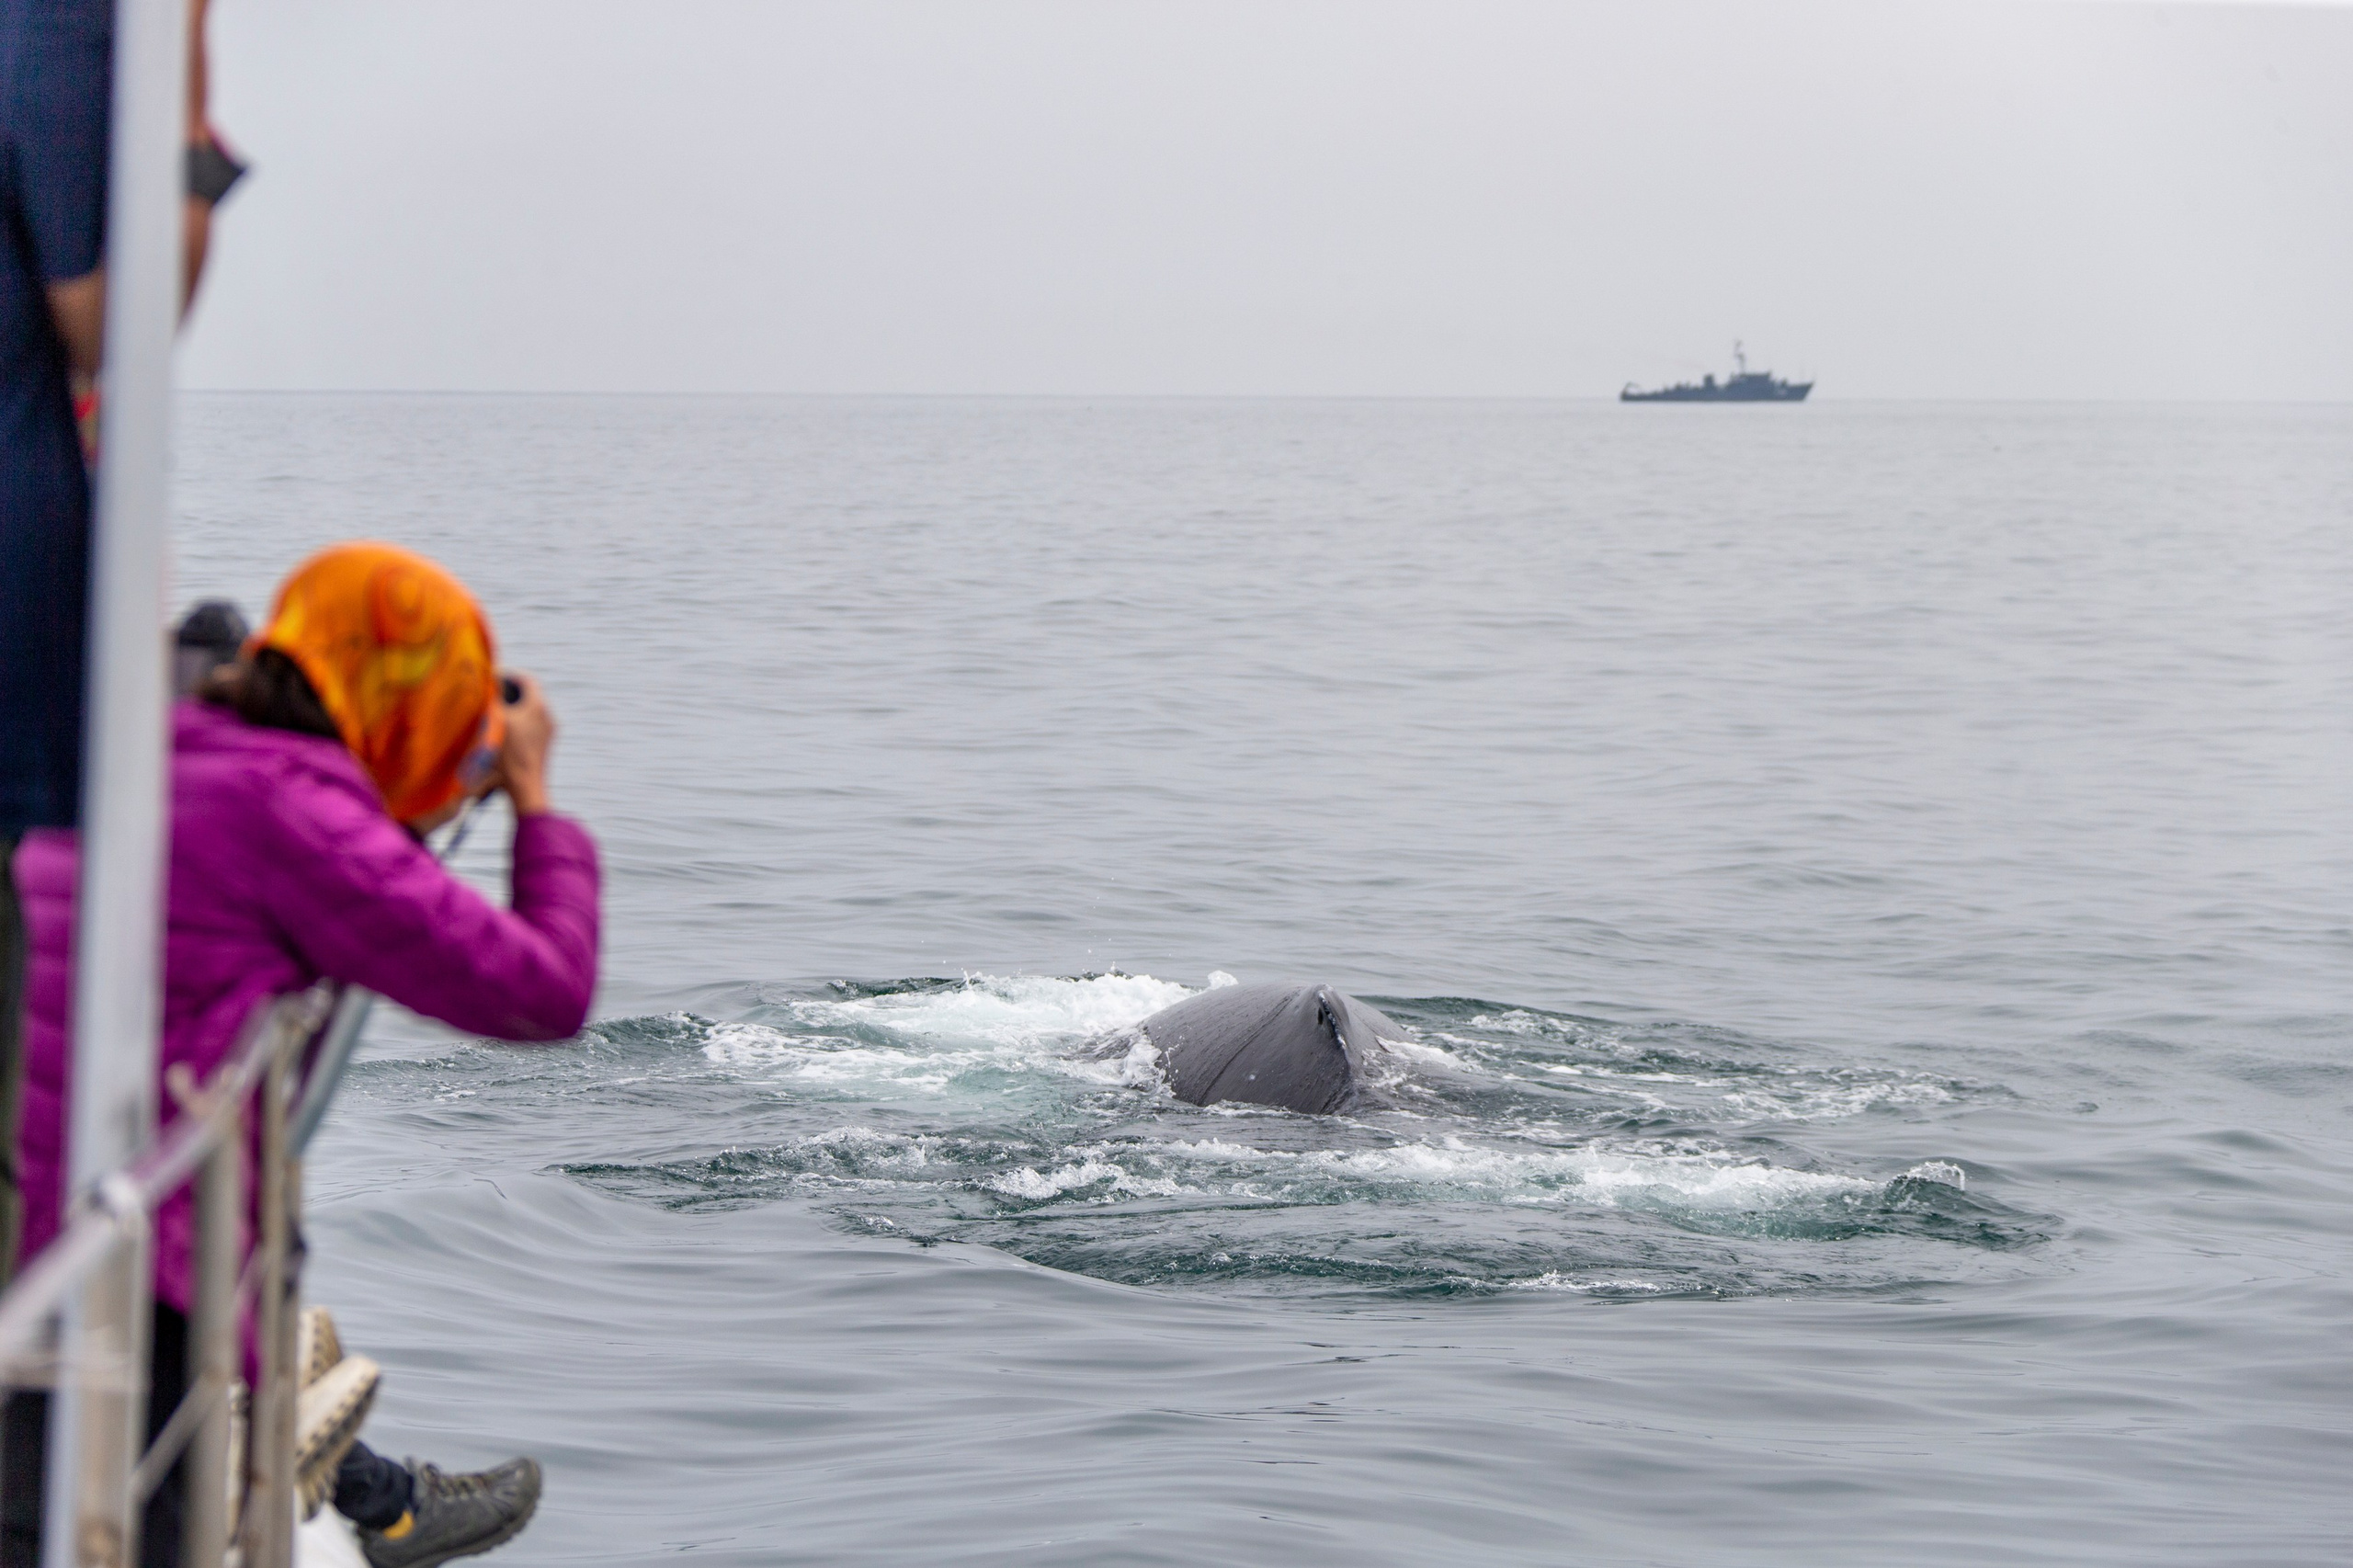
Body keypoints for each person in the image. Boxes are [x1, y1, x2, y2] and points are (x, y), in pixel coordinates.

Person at [6, 543, 599, 1568]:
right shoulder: (287, 808)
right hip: (117, 1265)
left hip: (32, 1207)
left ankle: (379, 1493)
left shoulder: (140, 752)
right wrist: (534, 800)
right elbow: (543, 987)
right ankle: (386, 1500)